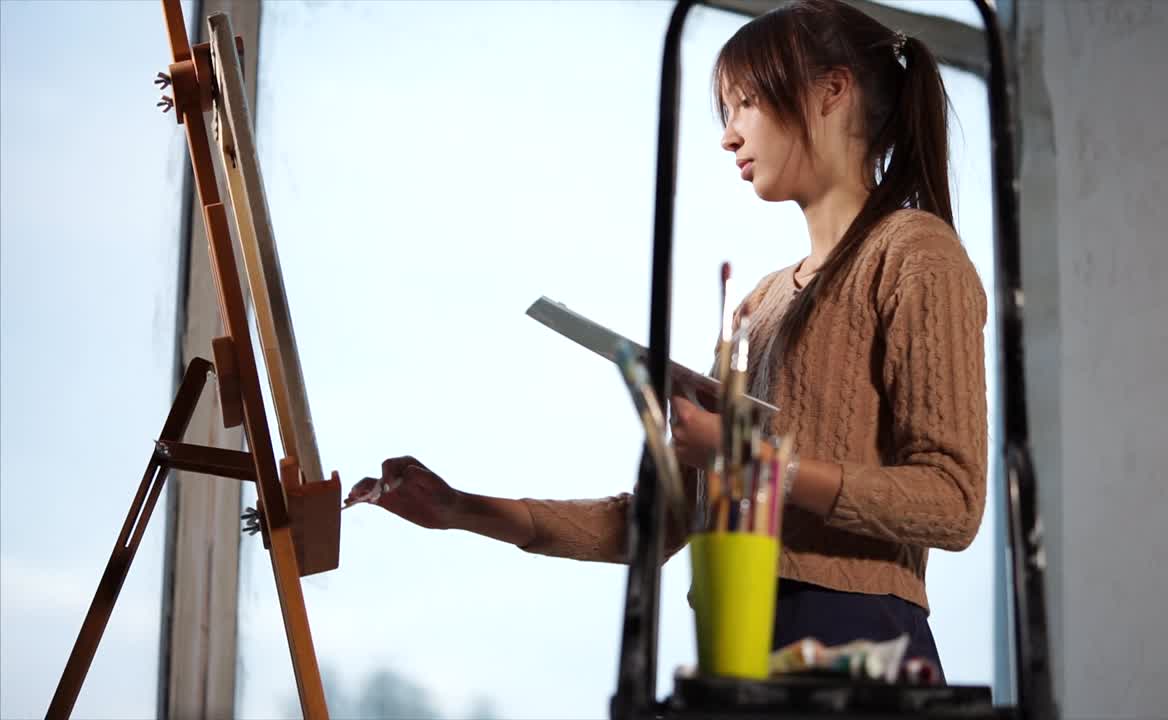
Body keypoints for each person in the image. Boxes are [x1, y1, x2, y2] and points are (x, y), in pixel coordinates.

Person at [348, 0, 986, 680]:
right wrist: (461, 509)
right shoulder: (757, 307)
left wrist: (756, 462)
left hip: (864, 649)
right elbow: (651, 527)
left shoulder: (916, 253)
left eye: (744, 102)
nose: (728, 135)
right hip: (737, 645)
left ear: (833, 89)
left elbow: (952, 502)